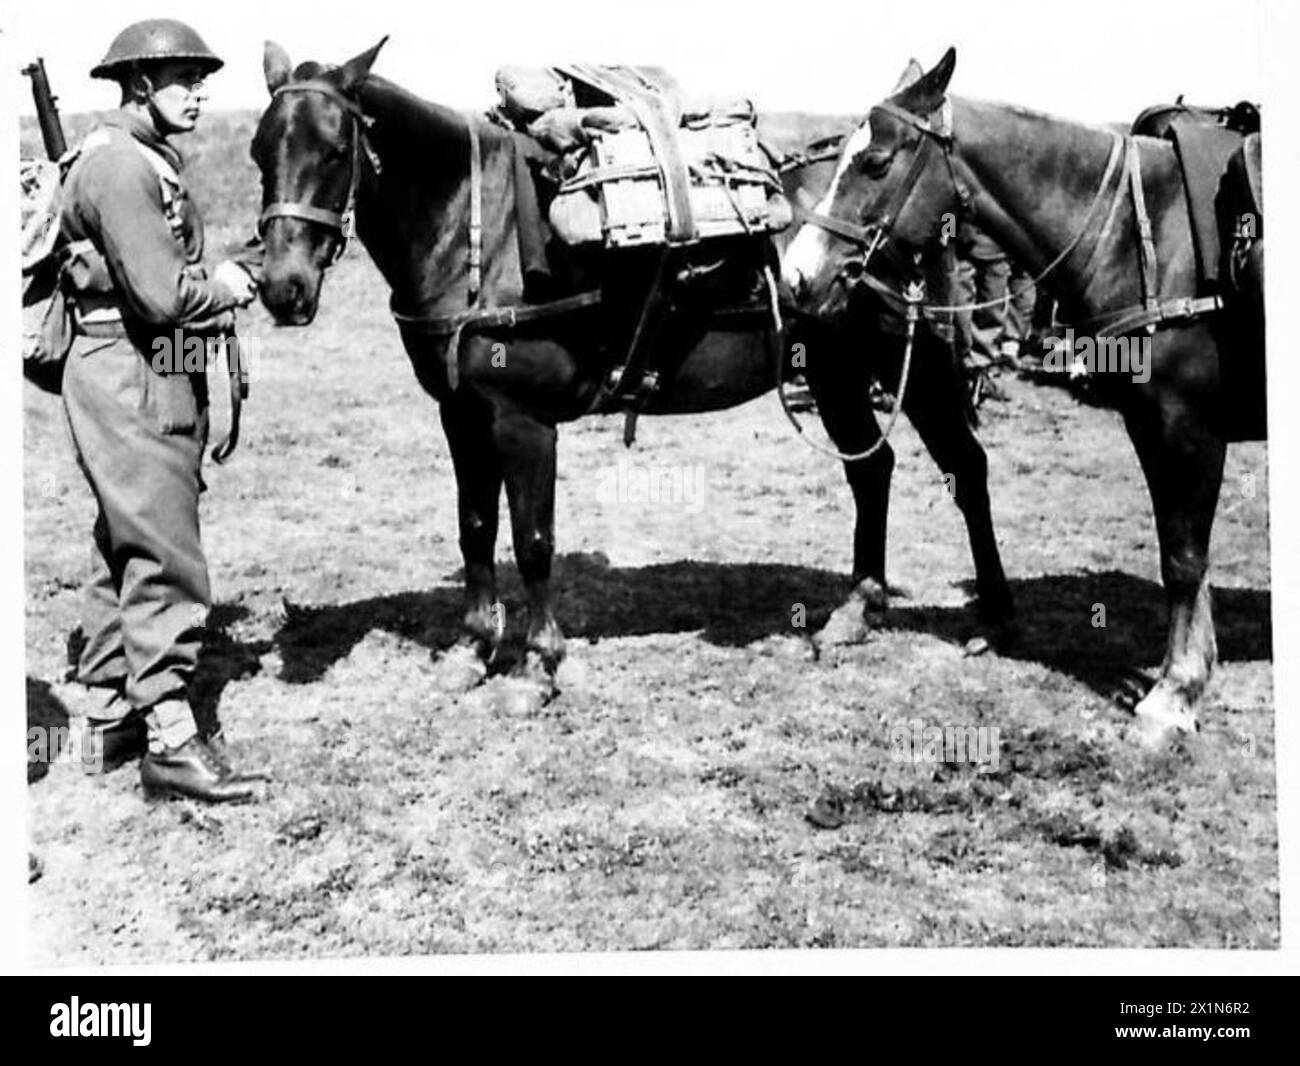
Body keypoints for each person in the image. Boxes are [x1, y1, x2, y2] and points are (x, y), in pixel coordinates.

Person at [58, 19, 263, 802]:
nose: (201, 94)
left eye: (203, 80)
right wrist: (229, 288)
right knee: (164, 547)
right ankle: (171, 742)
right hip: (131, 368)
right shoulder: (118, 168)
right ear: (140, 84)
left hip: (145, 364)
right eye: (184, 80)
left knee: (126, 534)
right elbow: (163, 295)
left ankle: (111, 713)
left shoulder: (141, 158)